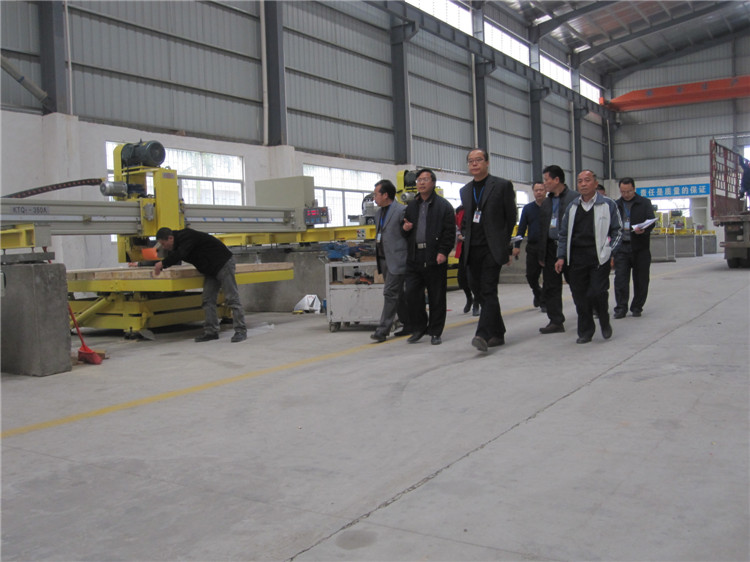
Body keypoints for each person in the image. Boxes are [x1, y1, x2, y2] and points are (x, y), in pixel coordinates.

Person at [555, 170, 622, 344]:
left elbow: (618, 231)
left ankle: (604, 319)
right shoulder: (572, 207)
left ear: (595, 183)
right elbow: (563, 234)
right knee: (580, 297)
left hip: (599, 258)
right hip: (576, 259)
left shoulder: (608, 204)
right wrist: (561, 256)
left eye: (587, 180)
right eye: (580, 181)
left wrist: (610, 252)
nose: (583, 184)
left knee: (597, 292)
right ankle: (585, 331)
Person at [459, 149, 517, 352]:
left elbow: (511, 217)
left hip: (492, 248)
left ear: (487, 162)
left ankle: (482, 334)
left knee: (488, 289)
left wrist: (505, 245)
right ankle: (498, 332)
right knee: (478, 290)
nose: (474, 164)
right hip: (472, 248)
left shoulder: (502, 185)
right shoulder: (465, 190)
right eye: (471, 161)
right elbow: (467, 219)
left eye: (478, 160)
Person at [154, 227, 247, 342]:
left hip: (223, 264)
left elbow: (180, 254)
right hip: (210, 269)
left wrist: (163, 264)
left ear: (170, 238)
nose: (164, 247)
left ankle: (240, 331)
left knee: (232, 298)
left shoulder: (186, 236)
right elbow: (175, 255)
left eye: (163, 244)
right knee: (208, 299)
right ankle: (211, 332)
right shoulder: (177, 244)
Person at [402, 168, 455, 345]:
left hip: (434, 255)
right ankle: (419, 328)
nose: (421, 183)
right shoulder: (411, 206)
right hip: (415, 256)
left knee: (436, 296)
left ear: (433, 183)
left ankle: (435, 331)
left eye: (425, 179)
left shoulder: (444, 206)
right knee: (412, 294)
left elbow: (449, 232)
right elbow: (405, 231)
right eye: (419, 180)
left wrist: (443, 251)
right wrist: (405, 229)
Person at [537, 165, 578, 334]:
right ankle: (555, 321)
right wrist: (541, 254)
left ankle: (585, 315)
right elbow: (542, 229)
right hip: (550, 250)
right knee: (551, 286)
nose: (544, 183)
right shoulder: (546, 202)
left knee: (576, 284)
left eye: (546, 180)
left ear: (556, 180)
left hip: (570, 249)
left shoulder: (574, 199)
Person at [370, 180, 408, 342]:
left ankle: (382, 330)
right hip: (384, 259)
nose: (374, 198)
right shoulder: (378, 213)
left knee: (390, 293)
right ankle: (409, 323)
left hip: (397, 259)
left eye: (376, 194)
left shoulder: (401, 210)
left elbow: (407, 234)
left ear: (385, 195)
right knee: (399, 294)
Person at [613, 177, 655, 319]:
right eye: (623, 192)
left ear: (634, 189)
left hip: (640, 247)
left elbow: (651, 221)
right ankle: (621, 308)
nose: (626, 194)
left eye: (629, 191)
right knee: (620, 280)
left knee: (641, 279)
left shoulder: (644, 203)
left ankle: (637, 307)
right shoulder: (616, 205)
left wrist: (644, 229)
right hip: (622, 248)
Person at [512, 181, 546, 309]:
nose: (539, 192)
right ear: (533, 192)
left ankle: (544, 301)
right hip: (533, 247)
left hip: (548, 247)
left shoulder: (551, 206)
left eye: (541, 190)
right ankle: (538, 292)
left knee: (548, 277)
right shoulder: (528, 209)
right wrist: (516, 246)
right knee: (531, 275)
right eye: (536, 190)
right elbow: (521, 228)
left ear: (546, 191)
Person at [455, 205, 479, 315]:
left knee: (473, 278)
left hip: (475, 247)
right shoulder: (459, 210)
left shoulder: (478, 209)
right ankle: (469, 297)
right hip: (463, 248)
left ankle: (477, 303)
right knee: (461, 278)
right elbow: (456, 226)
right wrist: (459, 234)